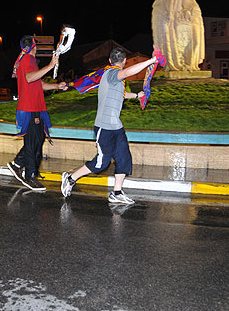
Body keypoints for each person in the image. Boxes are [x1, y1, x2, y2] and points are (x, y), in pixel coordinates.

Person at [60, 47, 158, 204]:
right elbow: (126, 73)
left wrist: (137, 95)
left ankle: (117, 193)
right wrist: (152, 61)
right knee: (101, 163)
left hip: (116, 127)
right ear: (125, 61)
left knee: (124, 158)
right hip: (104, 127)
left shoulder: (114, 78)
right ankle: (70, 178)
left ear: (110, 60)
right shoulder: (111, 73)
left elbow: (121, 93)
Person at [6, 36, 68, 191]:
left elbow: (38, 83)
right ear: (34, 47)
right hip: (30, 108)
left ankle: (18, 164)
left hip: (35, 107)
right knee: (32, 141)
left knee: (38, 138)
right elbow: (29, 78)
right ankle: (29, 176)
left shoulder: (27, 59)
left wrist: (56, 87)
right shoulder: (28, 58)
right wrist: (50, 66)